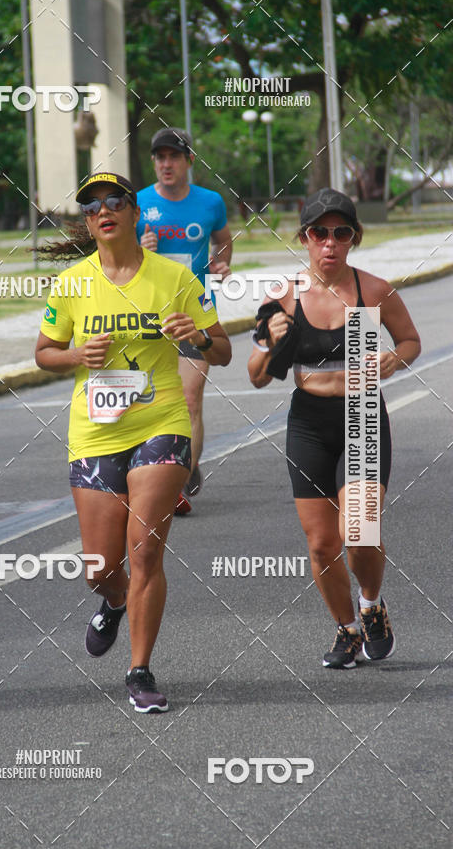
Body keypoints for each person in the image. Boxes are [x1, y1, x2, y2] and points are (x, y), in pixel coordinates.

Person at [35, 172, 231, 712]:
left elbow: (222, 350)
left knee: (145, 550)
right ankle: (114, 602)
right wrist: (76, 356)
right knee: (100, 567)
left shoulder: (173, 277)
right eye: (94, 205)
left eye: (115, 201)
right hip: (95, 431)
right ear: (88, 221)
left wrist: (191, 336)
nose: (105, 210)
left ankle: (139, 672)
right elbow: (44, 352)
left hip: (160, 423)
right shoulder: (72, 283)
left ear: (135, 212)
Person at [247, 188, 421, 669]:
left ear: (353, 238)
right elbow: (256, 376)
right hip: (308, 419)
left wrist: (394, 359)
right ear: (304, 238)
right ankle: (346, 630)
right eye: (319, 232)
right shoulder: (283, 296)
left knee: (360, 530)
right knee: (323, 542)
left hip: (363, 413)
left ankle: (371, 605)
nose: (329, 242)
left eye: (340, 233)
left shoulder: (375, 291)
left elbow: (410, 341)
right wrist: (269, 344)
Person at [136, 128, 232, 509]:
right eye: (159, 157)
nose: (166, 164)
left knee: (190, 399)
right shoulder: (138, 202)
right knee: (151, 400)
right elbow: (114, 254)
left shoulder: (210, 203)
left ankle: (177, 483)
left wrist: (221, 263)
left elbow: (223, 238)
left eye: (173, 157)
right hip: (146, 315)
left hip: (194, 312)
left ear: (189, 160)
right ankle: (161, 469)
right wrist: (138, 247)